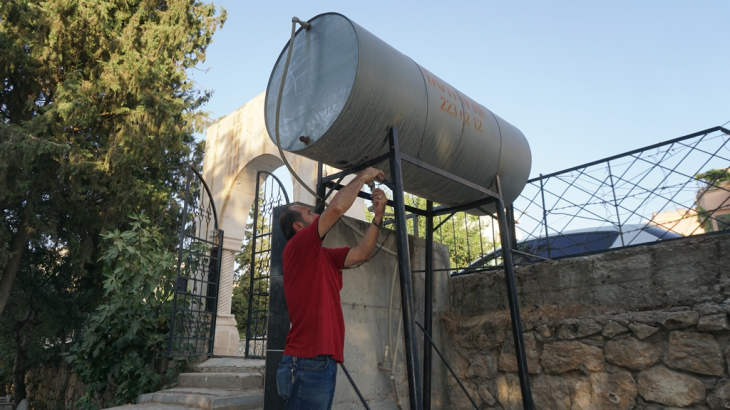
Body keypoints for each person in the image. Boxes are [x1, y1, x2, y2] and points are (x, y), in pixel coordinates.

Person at [276, 167, 387, 410]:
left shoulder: (323, 256)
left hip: (320, 362)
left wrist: (377, 218)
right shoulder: (296, 248)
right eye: (308, 212)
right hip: (306, 361)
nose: (316, 214)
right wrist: (361, 177)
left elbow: (362, 253)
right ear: (298, 226)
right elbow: (336, 208)